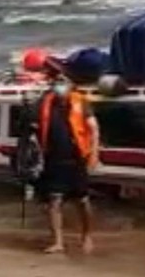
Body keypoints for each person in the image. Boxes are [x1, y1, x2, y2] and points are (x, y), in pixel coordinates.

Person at [35, 77, 100, 254]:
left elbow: (93, 128)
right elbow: (35, 126)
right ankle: (58, 242)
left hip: (77, 159)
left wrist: (94, 154)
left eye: (63, 83)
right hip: (54, 159)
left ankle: (87, 236)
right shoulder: (46, 103)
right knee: (54, 201)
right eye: (56, 83)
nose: (59, 86)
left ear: (71, 86)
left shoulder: (81, 102)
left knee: (82, 201)